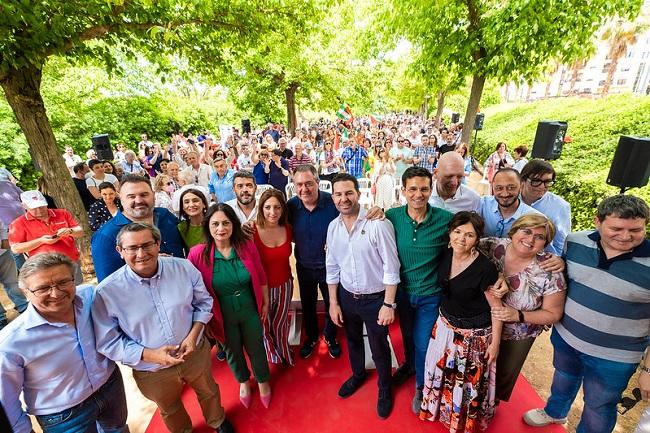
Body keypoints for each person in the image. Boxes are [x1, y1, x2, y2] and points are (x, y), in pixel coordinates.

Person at [524, 195, 650, 433]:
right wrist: (560, 262)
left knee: (598, 406)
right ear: (597, 222)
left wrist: (649, 370)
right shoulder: (575, 242)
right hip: (567, 338)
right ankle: (555, 413)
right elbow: (564, 274)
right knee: (563, 378)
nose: (625, 236)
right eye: (616, 228)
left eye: (636, 229)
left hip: (615, 356)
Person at [92, 224, 233, 433]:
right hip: (151, 369)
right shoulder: (107, 292)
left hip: (194, 352)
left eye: (147, 244)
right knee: (169, 407)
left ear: (158, 244)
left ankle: (217, 421)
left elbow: (203, 302)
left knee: (209, 390)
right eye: (132, 248)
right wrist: (150, 355)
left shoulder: (183, 268)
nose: (141, 253)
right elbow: (109, 341)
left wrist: (194, 335)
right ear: (120, 252)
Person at [0, 253, 128, 433]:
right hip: (64, 416)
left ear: (73, 279)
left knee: (119, 429)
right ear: (25, 292)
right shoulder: (10, 343)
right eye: (43, 288)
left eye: (63, 282)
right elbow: (6, 401)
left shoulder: (90, 296)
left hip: (110, 386)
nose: (56, 293)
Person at [326, 173, 401, 419]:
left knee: (380, 347)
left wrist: (388, 303)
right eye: (338, 194)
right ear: (333, 197)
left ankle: (384, 387)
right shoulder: (333, 227)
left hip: (376, 299)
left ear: (358, 193)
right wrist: (334, 303)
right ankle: (358, 374)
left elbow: (392, 267)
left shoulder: (378, 224)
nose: (343, 198)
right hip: (348, 298)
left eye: (349, 193)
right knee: (353, 339)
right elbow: (332, 267)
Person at [419, 211, 501, 433]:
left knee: (464, 383)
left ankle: (460, 421)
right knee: (441, 373)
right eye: (457, 232)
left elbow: (496, 308)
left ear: (477, 239)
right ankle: (439, 410)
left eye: (469, 235)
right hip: (444, 326)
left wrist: (495, 344)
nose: (461, 239)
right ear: (450, 232)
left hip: (472, 337)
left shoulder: (485, 268)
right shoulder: (446, 254)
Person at [187, 204, 272, 409]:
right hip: (220, 314)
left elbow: (260, 274)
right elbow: (190, 290)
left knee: (256, 347)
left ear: (233, 224)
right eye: (215, 224)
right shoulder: (197, 254)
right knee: (231, 350)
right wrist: (202, 320)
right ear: (208, 227)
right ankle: (243, 381)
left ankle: (263, 381)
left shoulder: (246, 246)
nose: (221, 228)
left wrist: (266, 301)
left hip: (249, 307)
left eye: (226, 223)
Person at [385, 166, 453, 413]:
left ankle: (421, 387)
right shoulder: (390, 216)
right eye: (412, 188)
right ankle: (410, 365)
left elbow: (467, 241)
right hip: (402, 293)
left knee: (424, 342)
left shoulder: (445, 220)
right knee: (408, 337)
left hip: (430, 295)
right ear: (403, 191)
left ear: (430, 189)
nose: (418, 194)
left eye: (424, 188)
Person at [480, 214, 566, 403]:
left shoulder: (549, 271)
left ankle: (490, 409)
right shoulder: (490, 246)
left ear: (546, 243)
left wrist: (518, 315)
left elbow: (553, 314)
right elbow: (458, 250)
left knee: (500, 379)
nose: (530, 239)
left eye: (540, 237)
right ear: (514, 231)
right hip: (479, 326)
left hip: (517, 335)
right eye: (526, 231)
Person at [287, 165, 341, 359]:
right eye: (299, 184)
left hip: (331, 267)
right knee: (308, 304)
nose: (304, 189)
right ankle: (310, 336)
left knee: (332, 302)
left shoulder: (333, 202)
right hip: (304, 265)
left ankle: (330, 335)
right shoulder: (291, 206)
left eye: (309, 183)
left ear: (318, 183)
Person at [91, 175, 184, 282]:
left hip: (183, 285)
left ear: (153, 195)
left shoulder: (164, 215)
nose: (139, 200)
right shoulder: (106, 236)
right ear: (121, 199)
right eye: (131, 196)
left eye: (144, 194)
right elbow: (109, 286)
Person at [253, 189, 294, 365]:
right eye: (268, 207)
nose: (272, 212)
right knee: (264, 325)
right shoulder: (251, 230)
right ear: (261, 208)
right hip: (262, 288)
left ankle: (284, 352)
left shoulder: (287, 228)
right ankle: (272, 357)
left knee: (280, 323)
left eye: (277, 207)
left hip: (285, 284)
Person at [9, 191, 84, 283]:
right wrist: (41, 241)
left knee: (77, 289)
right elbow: (16, 249)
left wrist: (70, 231)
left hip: (70, 262)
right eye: (34, 208)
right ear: (24, 206)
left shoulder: (62, 213)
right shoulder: (18, 223)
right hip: (44, 267)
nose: (39, 210)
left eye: (41, 206)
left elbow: (80, 232)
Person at [520, 160, 571, 255]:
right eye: (536, 181)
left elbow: (562, 243)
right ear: (523, 179)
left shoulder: (560, 206)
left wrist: (558, 260)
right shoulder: (510, 198)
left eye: (547, 182)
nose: (542, 186)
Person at [479, 168, 541, 237]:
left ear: (521, 187)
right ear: (493, 188)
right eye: (499, 188)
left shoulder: (534, 218)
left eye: (511, 188)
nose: (505, 194)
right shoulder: (483, 204)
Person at [0, 220, 27, 329]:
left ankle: (23, 306)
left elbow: (2, 227)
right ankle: (1, 318)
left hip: (3, 253)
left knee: (12, 283)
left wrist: (4, 240)